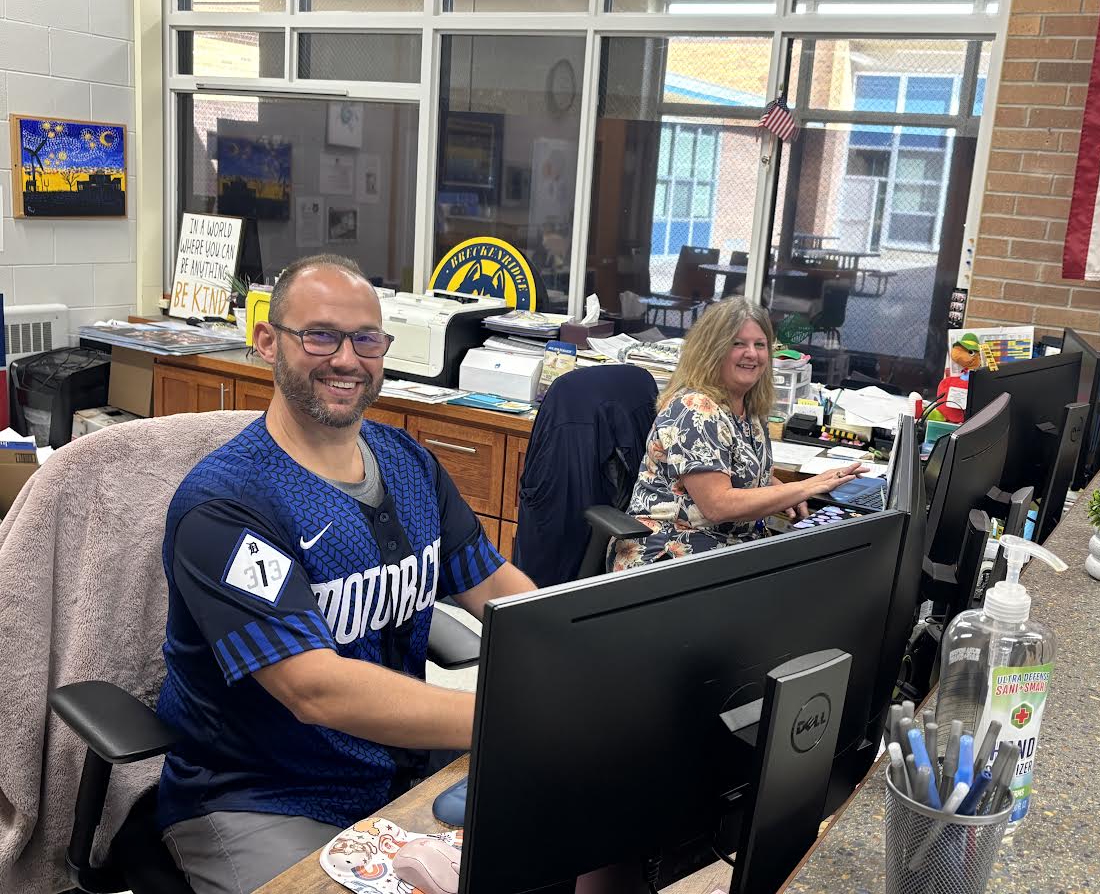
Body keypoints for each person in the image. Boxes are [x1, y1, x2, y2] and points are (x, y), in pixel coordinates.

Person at [155, 255, 536, 894]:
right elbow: (316, 690)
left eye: (365, 340)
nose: (346, 359)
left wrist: (575, 665)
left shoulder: (408, 461)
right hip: (262, 795)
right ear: (267, 341)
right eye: (320, 336)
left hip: (400, 770)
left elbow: (497, 587)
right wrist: (510, 717)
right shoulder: (227, 504)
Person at [611, 297, 865, 571]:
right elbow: (717, 505)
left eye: (760, 344)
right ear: (712, 350)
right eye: (738, 344)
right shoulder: (694, 409)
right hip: (670, 551)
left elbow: (742, 470)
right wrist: (806, 487)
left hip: (730, 544)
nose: (752, 354)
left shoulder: (749, 407)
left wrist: (784, 492)